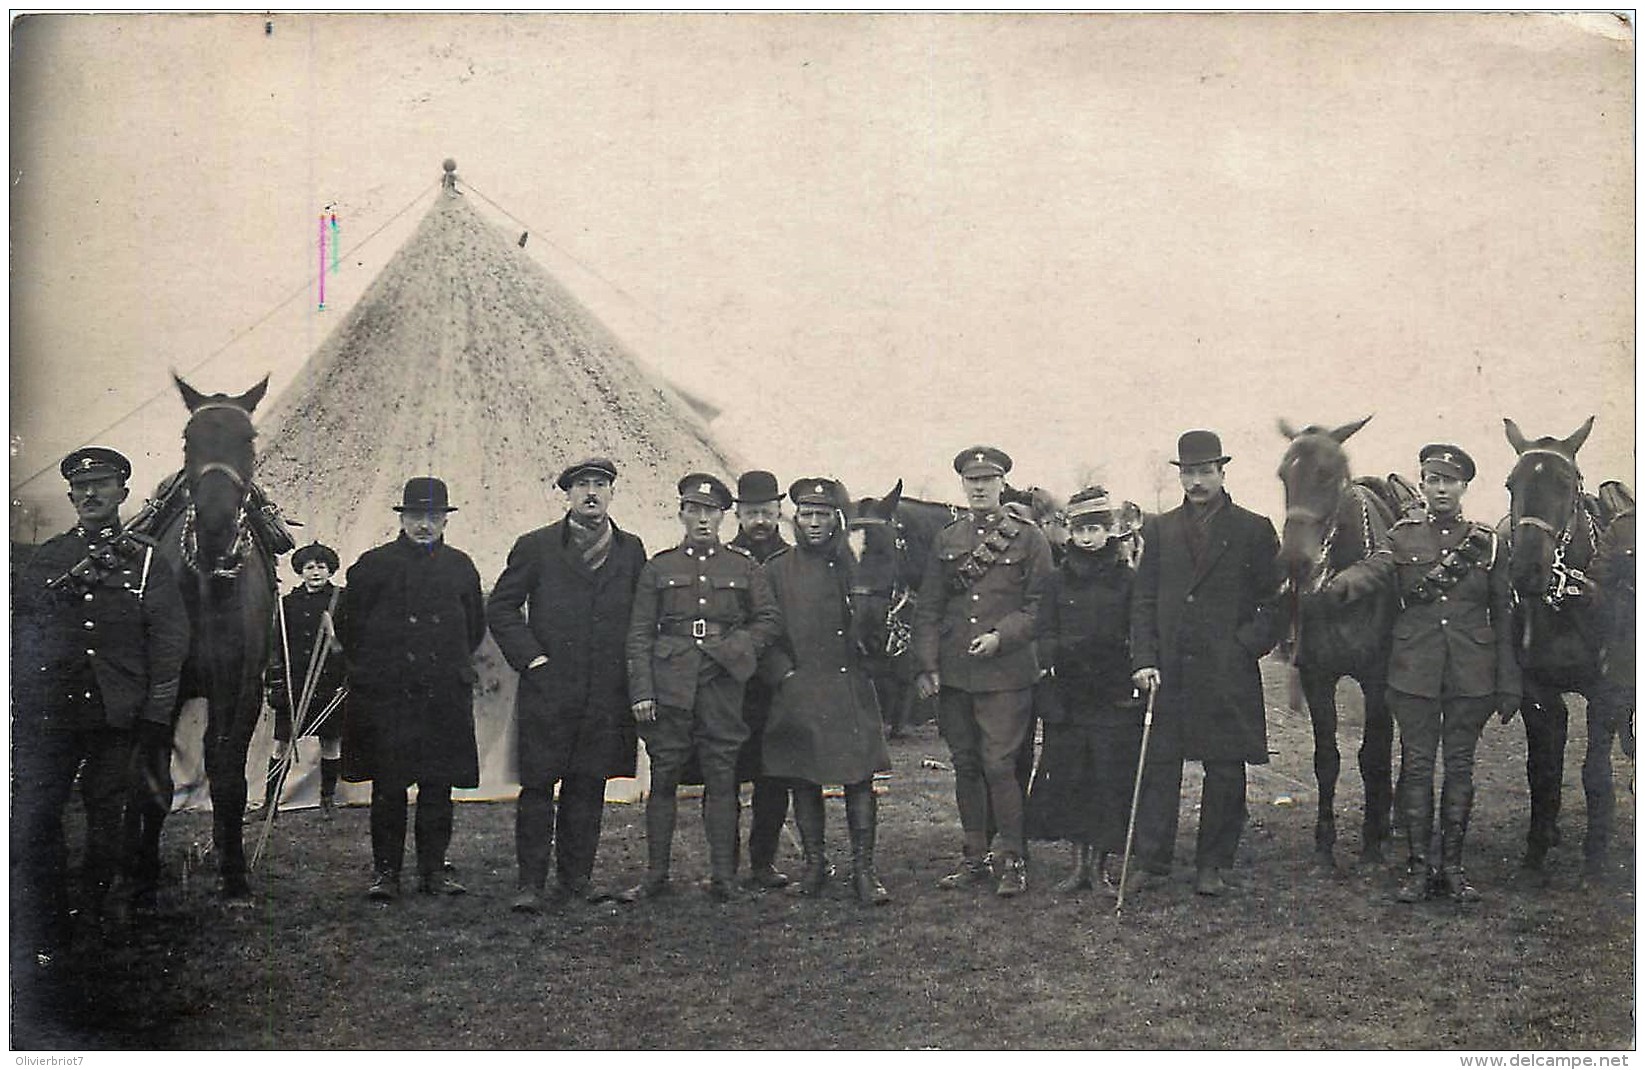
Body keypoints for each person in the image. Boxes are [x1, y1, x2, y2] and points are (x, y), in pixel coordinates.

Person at [11, 447, 189, 960]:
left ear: (123, 494)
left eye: (103, 485)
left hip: (117, 713)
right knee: (39, 816)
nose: (91, 494)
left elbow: (169, 639)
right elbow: (25, 632)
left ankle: (96, 912)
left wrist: (155, 714)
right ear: (71, 496)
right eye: (82, 487)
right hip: (53, 712)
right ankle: (47, 920)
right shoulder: (50, 558)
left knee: (107, 817)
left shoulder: (147, 558)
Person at [1328, 444, 1519, 902]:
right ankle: (1417, 869)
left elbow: (1503, 614)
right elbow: (1374, 570)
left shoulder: (1488, 542)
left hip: (1471, 674)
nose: (1441, 488)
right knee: (1416, 769)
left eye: (1449, 481)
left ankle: (1451, 868)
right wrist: (1341, 584)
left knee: (1459, 768)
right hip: (1414, 672)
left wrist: (1509, 681)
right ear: (1424, 485)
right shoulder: (1402, 536)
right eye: (1433, 480)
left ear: (1464, 488)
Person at [487, 458, 648, 914]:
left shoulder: (631, 550)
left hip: (606, 692)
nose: (591, 493)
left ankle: (578, 879)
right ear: (568, 495)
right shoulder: (536, 546)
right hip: (549, 688)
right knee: (538, 786)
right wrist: (533, 659)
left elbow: (642, 615)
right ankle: (531, 884)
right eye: (582, 486)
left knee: (589, 785)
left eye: (600, 484)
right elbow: (501, 608)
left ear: (612, 492)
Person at [1127, 430, 1283, 898]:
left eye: (1204, 472)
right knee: (1159, 766)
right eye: (1188, 472)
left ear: (1221, 472)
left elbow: (1275, 602)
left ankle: (1213, 862)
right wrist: (1145, 659)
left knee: (1225, 768)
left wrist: (1243, 647)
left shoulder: (1253, 529)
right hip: (1169, 670)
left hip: (1226, 671)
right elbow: (1143, 600)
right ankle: (1152, 861)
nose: (1196, 481)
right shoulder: (1159, 529)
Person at [620, 473, 781, 902]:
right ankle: (656, 874)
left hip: (722, 683)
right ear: (682, 514)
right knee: (664, 775)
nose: (703, 519)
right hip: (670, 682)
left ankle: (723, 876)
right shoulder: (659, 567)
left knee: (722, 776)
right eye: (695, 510)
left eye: (712, 511)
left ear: (725, 516)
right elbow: (638, 632)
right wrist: (642, 691)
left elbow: (767, 619)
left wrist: (738, 648)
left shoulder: (743, 568)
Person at [913, 445, 1055, 898]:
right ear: (963, 485)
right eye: (971, 481)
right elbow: (929, 607)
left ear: (1001, 485)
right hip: (956, 674)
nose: (978, 488)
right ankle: (974, 856)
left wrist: (1001, 636)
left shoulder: (1029, 539)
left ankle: (1013, 858)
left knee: (999, 764)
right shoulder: (947, 538)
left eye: (987, 481)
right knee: (966, 765)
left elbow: (1040, 609)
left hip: (1007, 672)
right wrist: (928, 664)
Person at [336, 477, 486, 901]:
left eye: (433, 517)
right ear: (402, 518)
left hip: (442, 693)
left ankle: (434, 871)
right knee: (389, 785)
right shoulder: (373, 565)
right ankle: (387, 873)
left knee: (438, 786)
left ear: (444, 520)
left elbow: (473, 628)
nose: (424, 525)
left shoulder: (461, 566)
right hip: (389, 696)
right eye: (416, 516)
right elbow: (349, 627)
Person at [758, 477, 893, 904]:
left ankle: (864, 871)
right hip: (801, 685)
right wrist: (784, 675)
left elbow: (877, 618)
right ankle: (815, 865)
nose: (814, 523)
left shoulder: (853, 562)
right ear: (796, 518)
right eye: (806, 514)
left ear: (835, 519)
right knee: (803, 779)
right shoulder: (777, 569)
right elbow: (765, 630)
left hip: (848, 683)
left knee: (859, 778)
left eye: (821, 515)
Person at [1025, 486, 1143, 892]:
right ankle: (1076, 866)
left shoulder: (1127, 579)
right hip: (1069, 695)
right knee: (1072, 779)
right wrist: (1053, 658)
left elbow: (1138, 629)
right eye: (1080, 530)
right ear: (1070, 533)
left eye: (1095, 528)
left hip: (1113, 695)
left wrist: (1130, 667)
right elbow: (1043, 632)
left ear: (1110, 530)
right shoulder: (1057, 581)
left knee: (1108, 780)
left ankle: (1101, 866)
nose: (1087, 537)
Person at [727, 470, 796, 888]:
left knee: (774, 776)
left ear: (778, 512)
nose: (760, 521)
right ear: (737, 512)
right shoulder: (721, 558)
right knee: (727, 775)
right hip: (732, 685)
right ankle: (726, 862)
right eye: (752, 512)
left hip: (777, 685)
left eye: (767, 512)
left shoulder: (790, 560)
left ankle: (763, 862)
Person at [264, 541, 347, 815]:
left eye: (321, 567)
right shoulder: (287, 603)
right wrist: (276, 681)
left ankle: (327, 801)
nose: (315, 572)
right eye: (309, 567)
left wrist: (345, 674)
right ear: (300, 571)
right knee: (282, 743)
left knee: (331, 741)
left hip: (330, 683)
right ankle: (270, 803)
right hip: (295, 685)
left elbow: (353, 640)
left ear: (330, 570)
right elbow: (276, 644)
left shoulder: (342, 599)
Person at [1585, 483, 1635, 880]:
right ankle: (1597, 848)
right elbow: (1597, 580)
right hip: (1624, 653)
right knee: (1598, 753)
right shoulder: (1622, 528)